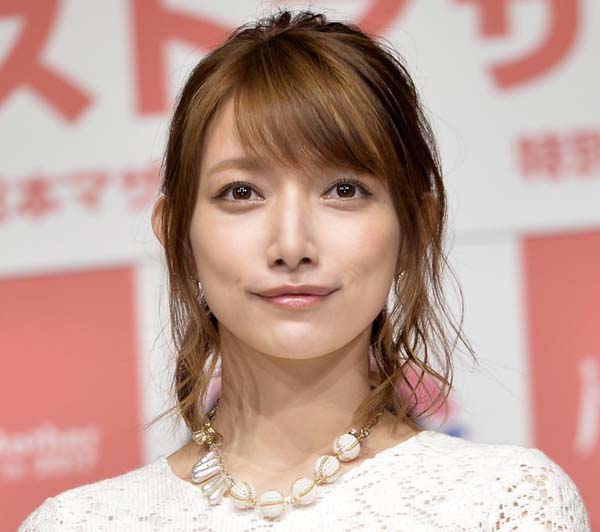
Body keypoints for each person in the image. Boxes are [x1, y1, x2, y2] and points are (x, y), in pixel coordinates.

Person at [18, 8, 591, 531]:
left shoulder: (507, 502)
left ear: (415, 227)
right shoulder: (75, 523)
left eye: (344, 189)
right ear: (177, 234)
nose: (291, 246)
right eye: (241, 192)